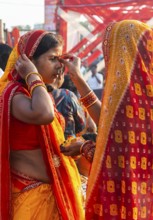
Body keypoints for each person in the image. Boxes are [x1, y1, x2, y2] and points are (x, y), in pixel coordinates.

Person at [60, 20, 153, 219]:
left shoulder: (126, 91)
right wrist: (77, 77)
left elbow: (120, 158)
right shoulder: (143, 88)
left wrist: (84, 147)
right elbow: (111, 125)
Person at [0, 30, 85, 219]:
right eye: (53, 58)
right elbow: (43, 115)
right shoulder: (14, 94)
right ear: (28, 60)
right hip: (31, 200)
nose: (60, 66)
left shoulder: (37, 94)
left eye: (61, 59)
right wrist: (32, 74)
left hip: (52, 195)